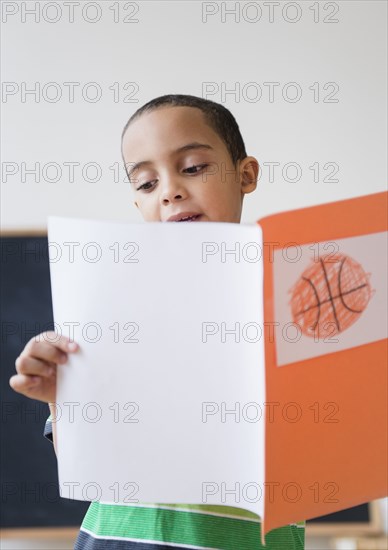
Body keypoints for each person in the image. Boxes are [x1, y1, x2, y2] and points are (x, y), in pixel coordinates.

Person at [10, 94, 305, 549]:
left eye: (192, 168)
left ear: (246, 175)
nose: (169, 191)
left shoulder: (299, 300)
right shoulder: (113, 306)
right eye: (146, 184)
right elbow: (87, 464)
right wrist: (61, 402)